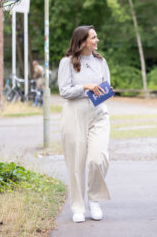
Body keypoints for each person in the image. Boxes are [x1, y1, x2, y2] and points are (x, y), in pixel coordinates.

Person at [58, 25, 111, 223]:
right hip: (75, 114)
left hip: (99, 112)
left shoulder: (100, 61)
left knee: (98, 158)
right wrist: (85, 87)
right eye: (93, 38)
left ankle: (94, 199)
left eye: (96, 37)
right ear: (82, 42)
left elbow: (106, 85)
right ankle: (78, 206)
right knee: (76, 163)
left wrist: (106, 90)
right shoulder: (67, 62)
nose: (97, 41)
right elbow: (64, 91)